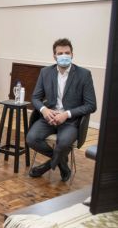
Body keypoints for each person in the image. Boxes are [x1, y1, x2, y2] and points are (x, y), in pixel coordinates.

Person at [26, 38, 97, 182]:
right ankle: (63, 164)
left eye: (67, 52)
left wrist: (67, 114)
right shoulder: (45, 72)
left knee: (63, 144)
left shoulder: (84, 74)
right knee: (31, 139)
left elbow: (91, 105)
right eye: (60, 53)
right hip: (49, 118)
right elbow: (35, 98)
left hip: (70, 121)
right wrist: (45, 110)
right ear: (54, 56)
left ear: (72, 54)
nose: (64, 55)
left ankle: (45, 167)